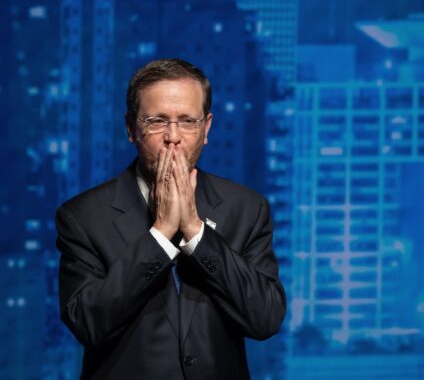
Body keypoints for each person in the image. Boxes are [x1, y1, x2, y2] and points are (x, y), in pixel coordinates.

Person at [55, 58, 286, 379]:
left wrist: (195, 231)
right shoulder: (82, 215)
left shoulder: (246, 208)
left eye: (187, 121)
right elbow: (87, 324)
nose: (173, 136)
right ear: (131, 129)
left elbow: (265, 319)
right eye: (157, 121)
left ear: (206, 129)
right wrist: (161, 235)